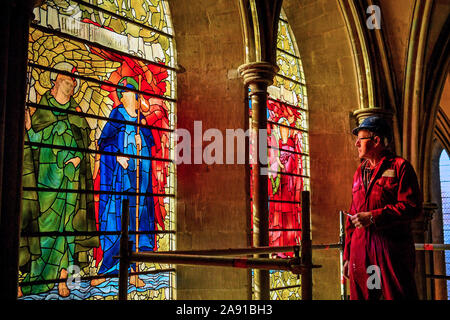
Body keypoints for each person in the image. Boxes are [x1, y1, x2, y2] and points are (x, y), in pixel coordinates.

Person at [19, 62, 98, 297]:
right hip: (46, 183)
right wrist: (29, 127)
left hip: (70, 182)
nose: (71, 83)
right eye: (67, 78)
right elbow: (34, 141)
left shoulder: (77, 115)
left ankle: (63, 278)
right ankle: (35, 279)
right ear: (56, 80)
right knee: (44, 230)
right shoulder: (42, 109)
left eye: (73, 80)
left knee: (67, 231)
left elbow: (84, 147)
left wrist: (79, 161)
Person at [342, 115, 422, 300]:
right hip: (360, 251)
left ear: (376, 140)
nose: (356, 144)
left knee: (397, 296)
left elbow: (412, 206)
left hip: (390, 250)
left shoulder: (401, 167)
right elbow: (352, 214)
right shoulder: (359, 173)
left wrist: (373, 217)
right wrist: (347, 255)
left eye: (360, 139)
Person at [93, 76, 155, 287]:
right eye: (130, 92)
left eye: (136, 92)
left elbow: (150, 150)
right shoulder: (116, 115)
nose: (135, 96)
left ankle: (134, 271)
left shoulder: (141, 121)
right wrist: (117, 155)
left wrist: (142, 142)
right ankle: (106, 268)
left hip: (139, 181)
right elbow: (104, 144)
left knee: (136, 224)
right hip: (120, 182)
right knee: (117, 223)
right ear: (122, 95)